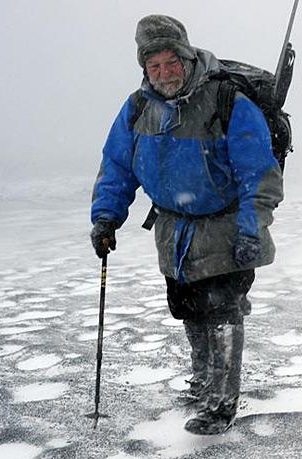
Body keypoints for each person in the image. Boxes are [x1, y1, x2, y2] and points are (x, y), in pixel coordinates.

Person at [89, 14, 283, 435]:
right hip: (173, 231)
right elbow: (118, 166)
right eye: (153, 65)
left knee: (224, 311)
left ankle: (221, 402)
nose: (163, 73)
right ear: (144, 68)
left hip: (225, 226)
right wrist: (106, 216)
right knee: (190, 309)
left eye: (170, 62)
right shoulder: (138, 107)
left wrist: (252, 230)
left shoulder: (228, 101)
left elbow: (260, 175)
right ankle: (203, 382)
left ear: (186, 56)